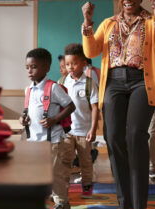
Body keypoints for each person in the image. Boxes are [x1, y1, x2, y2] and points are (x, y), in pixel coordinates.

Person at [81, 0, 155, 208]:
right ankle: (125, 203)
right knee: (112, 138)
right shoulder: (108, 23)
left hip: (142, 81)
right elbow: (91, 52)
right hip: (113, 82)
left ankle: (139, 204)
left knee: (135, 137)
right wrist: (87, 23)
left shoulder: (151, 21)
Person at [19, 48, 75, 209]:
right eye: (27, 67)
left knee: (55, 174)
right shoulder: (28, 90)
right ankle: (39, 199)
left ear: (46, 68)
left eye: (34, 67)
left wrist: (55, 119)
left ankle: (62, 202)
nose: (30, 70)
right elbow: (28, 111)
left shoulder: (54, 88)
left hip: (52, 141)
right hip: (33, 141)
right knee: (35, 173)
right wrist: (23, 118)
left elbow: (70, 106)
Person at [60, 43, 99, 198]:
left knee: (85, 161)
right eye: (68, 64)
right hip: (67, 131)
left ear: (84, 63)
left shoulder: (89, 83)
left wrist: (93, 129)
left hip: (84, 131)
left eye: (74, 63)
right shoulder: (62, 82)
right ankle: (62, 188)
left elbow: (95, 108)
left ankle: (87, 186)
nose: (71, 67)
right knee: (65, 161)